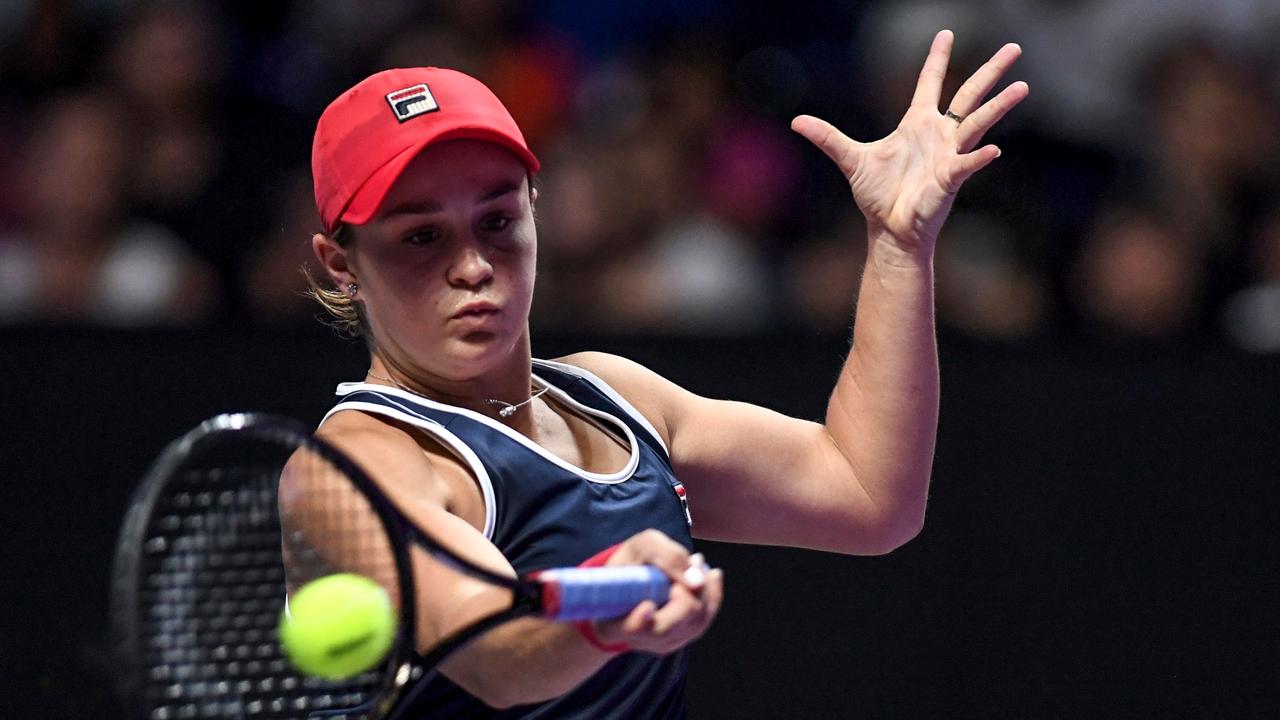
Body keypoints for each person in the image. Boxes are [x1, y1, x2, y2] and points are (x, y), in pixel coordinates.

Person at [298, 29, 1027, 718]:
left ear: (533, 210)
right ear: (342, 263)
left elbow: (872, 498)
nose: (473, 267)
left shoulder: (616, 396)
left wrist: (899, 246)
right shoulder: (354, 465)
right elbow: (491, 650)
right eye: (421, 236)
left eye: (497, 220)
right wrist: (604, 610)